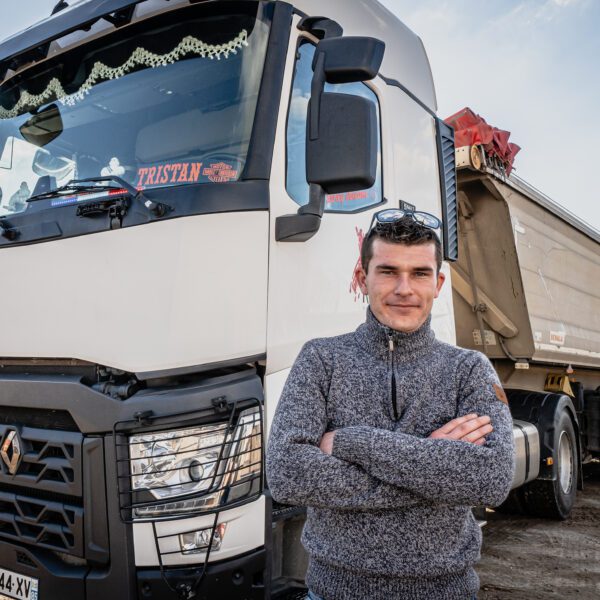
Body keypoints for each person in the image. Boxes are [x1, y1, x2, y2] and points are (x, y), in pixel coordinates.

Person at [266, 210, 515, 600]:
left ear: (438, 283)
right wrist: (435, 464)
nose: (404, 288)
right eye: (387, 272)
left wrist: (352, 443)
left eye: (419, 273)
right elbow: (287, 474)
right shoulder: (321, 360)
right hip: (334, 592)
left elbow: (491, 479)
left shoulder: (468, 369)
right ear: (362, 279)